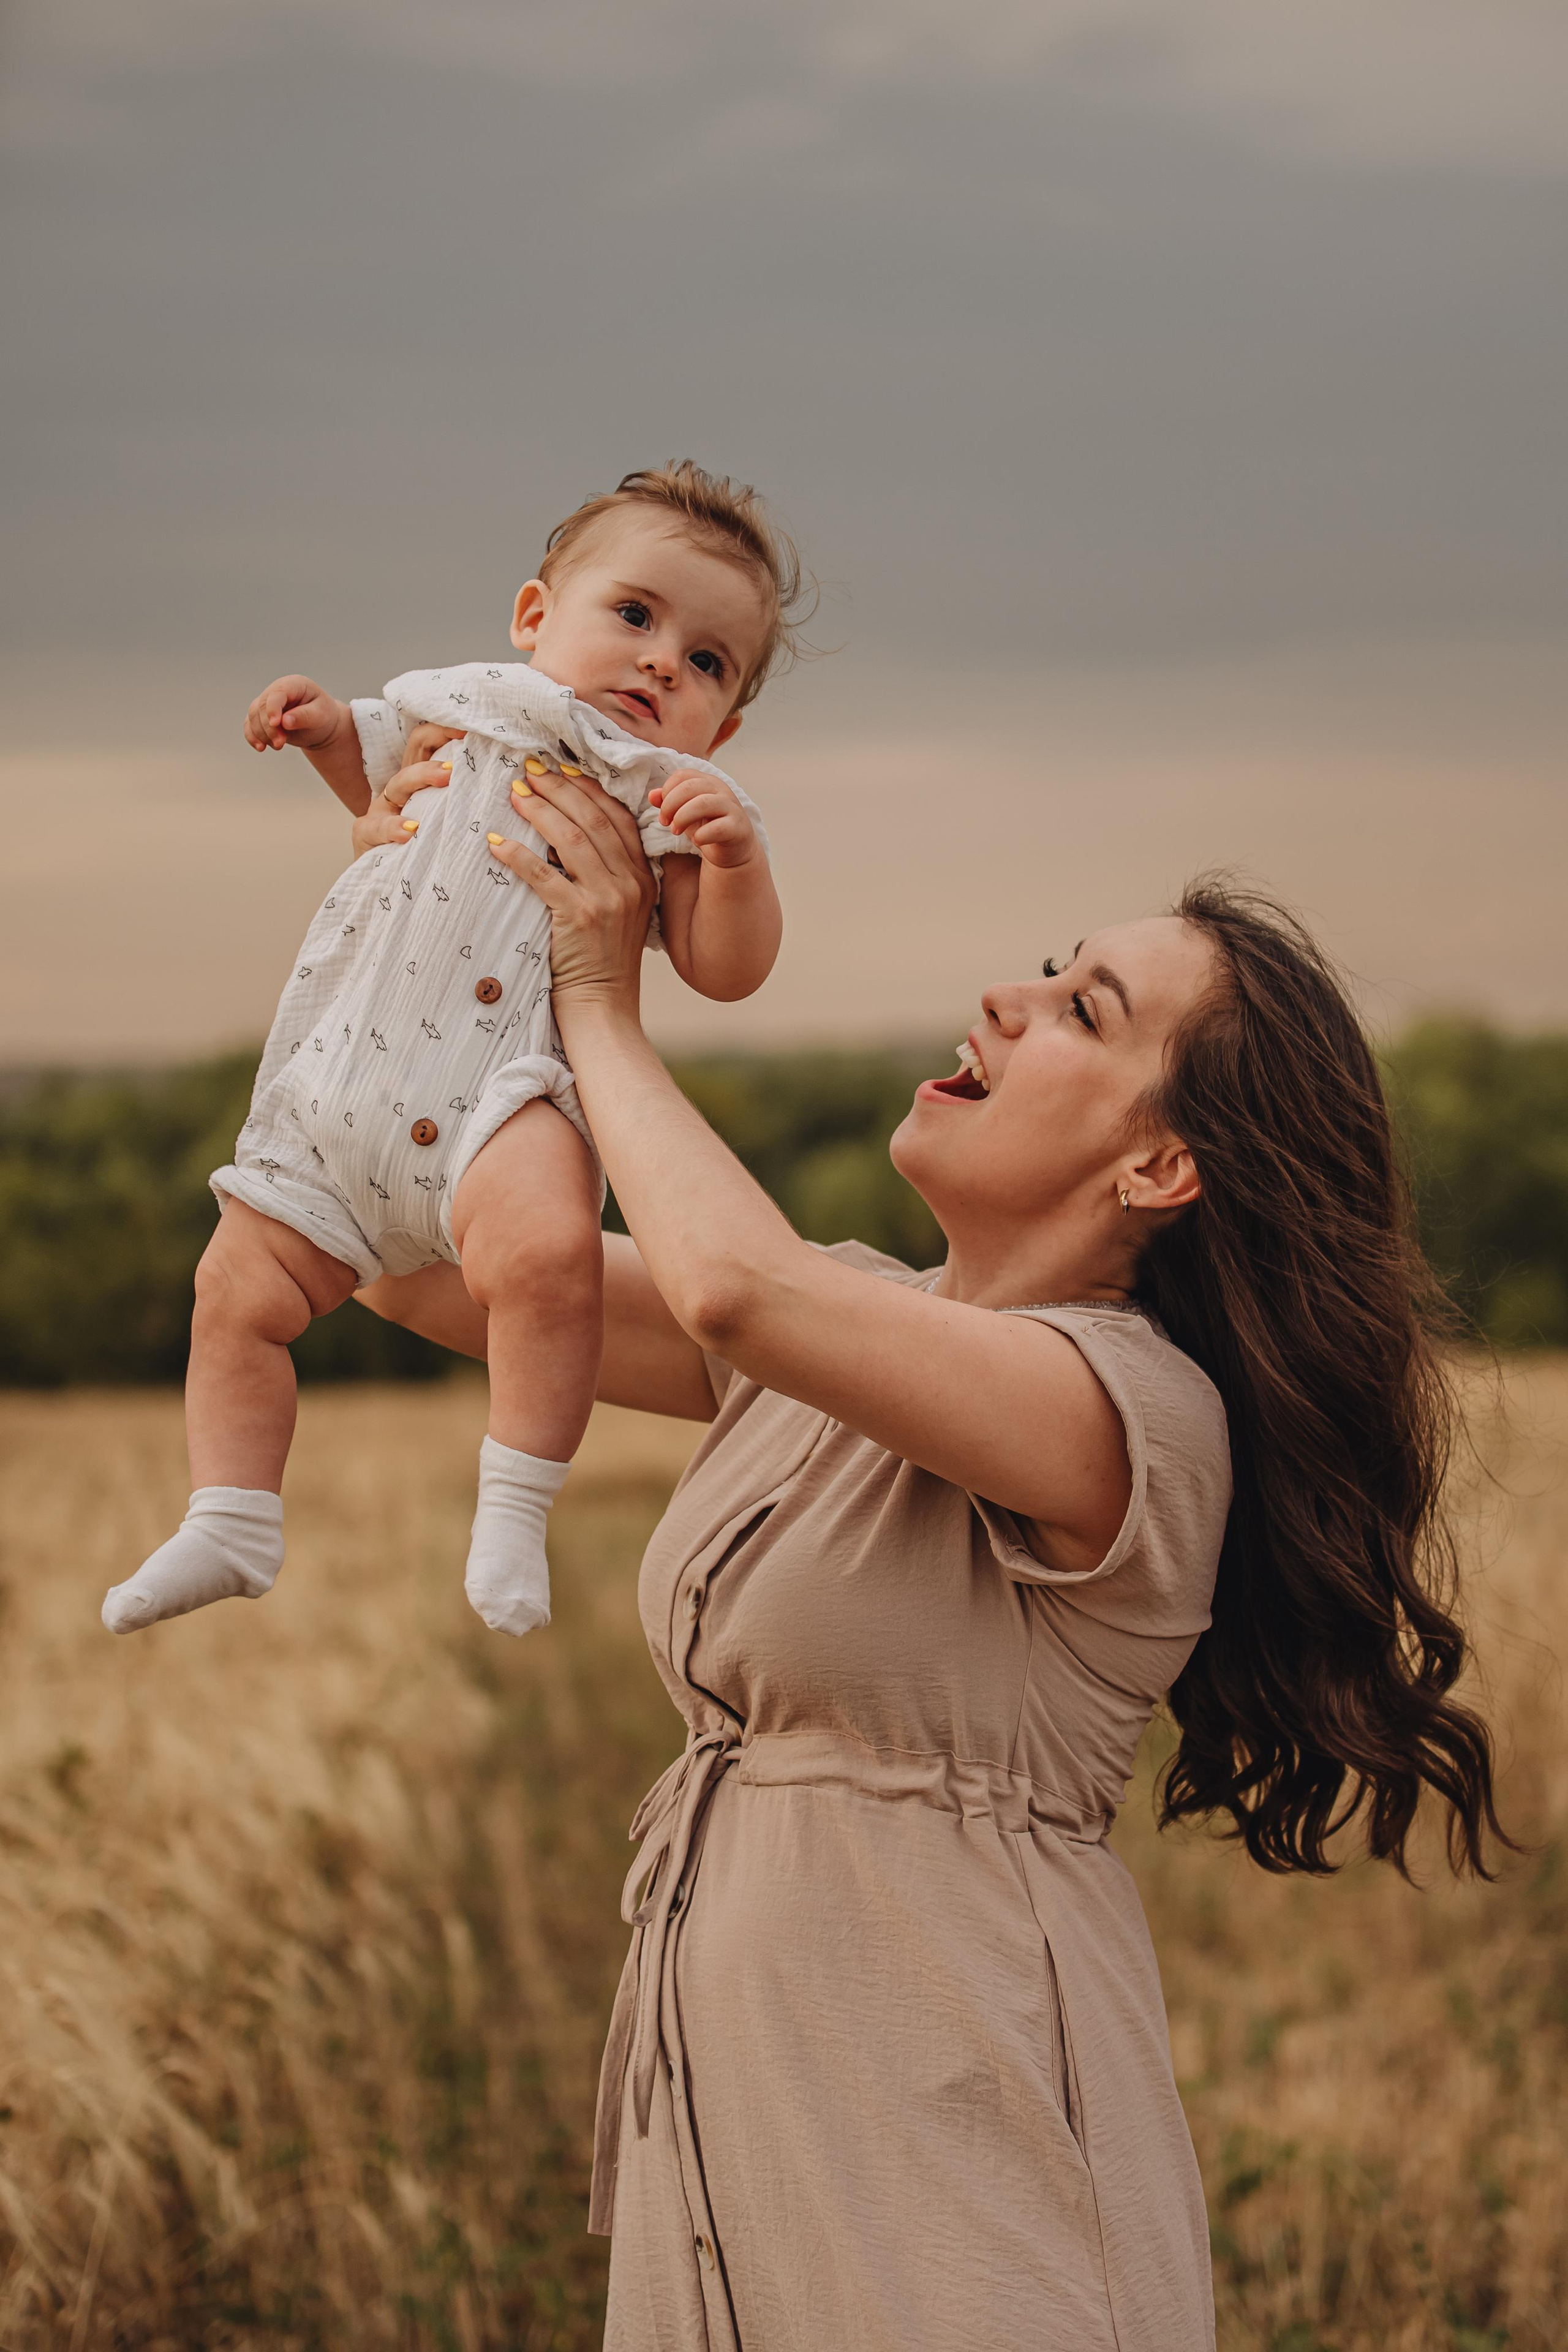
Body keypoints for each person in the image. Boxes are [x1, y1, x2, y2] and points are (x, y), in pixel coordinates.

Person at [358, 773, 1504, 2351]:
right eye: (1046, 969)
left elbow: (734, 1289)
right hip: (738, 2139)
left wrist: (600, 1002)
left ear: (1158, 1168)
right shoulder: (836, 1323)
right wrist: (427, 909)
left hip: (960, 2158)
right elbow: (408, 1265)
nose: (1007, 999)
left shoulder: (1129, 1413)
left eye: (1082, 1010)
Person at [104, 463, 804, 1645]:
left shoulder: (665, 799)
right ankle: (230, 1514)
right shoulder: (471, 705)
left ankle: (514, 1507)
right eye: (634, 616)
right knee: (234, 1294)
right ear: (535, 617)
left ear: (723, 726)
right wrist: (321, 727)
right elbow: (378, 769)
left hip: (501, 1098)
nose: (659, 665)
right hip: (346, 1085)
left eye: (705, 663)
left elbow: (724, 968)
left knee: (548, 1260)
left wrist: (735, 866)